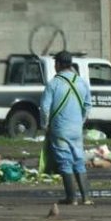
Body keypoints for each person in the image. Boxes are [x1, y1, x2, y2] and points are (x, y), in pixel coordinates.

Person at [39, 51, 93, 205]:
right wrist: (80, 121)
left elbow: (44, 108)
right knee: (78, 159)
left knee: (65, 161)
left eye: (55, 63)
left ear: (59, 65)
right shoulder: (81, 82)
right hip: (76, 129)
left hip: (60, 128)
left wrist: (45, 125)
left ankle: (72, 198)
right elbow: (88, 105)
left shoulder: (54, 83)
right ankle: (86, 198)